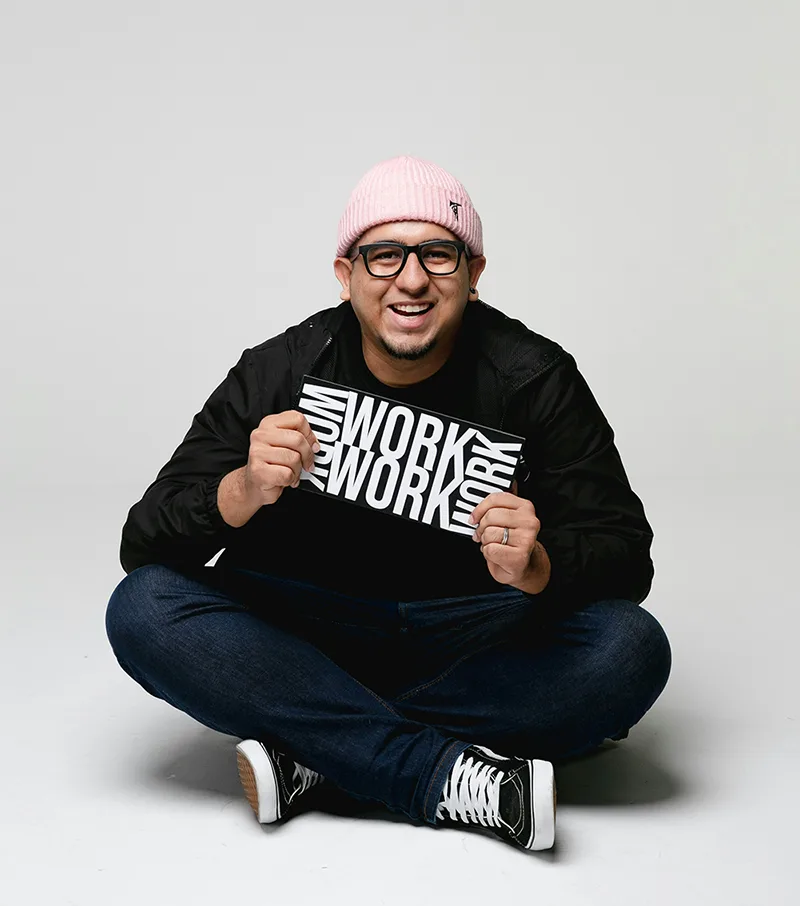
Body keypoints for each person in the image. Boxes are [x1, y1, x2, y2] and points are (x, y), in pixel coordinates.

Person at [105, 155, 671, 853]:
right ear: (346, 276)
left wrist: (540, 565)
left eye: (438, 254)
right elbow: (144, 543)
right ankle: (446, 774)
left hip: (473, 637)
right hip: (307, 630)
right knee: (143, 609)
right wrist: (241, 491)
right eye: (384, 256)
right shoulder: (279, 369)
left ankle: (323, 753)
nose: (411, 279)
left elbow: (626, 556)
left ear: (474, 273)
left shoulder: (534, 377)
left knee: (630, 650)